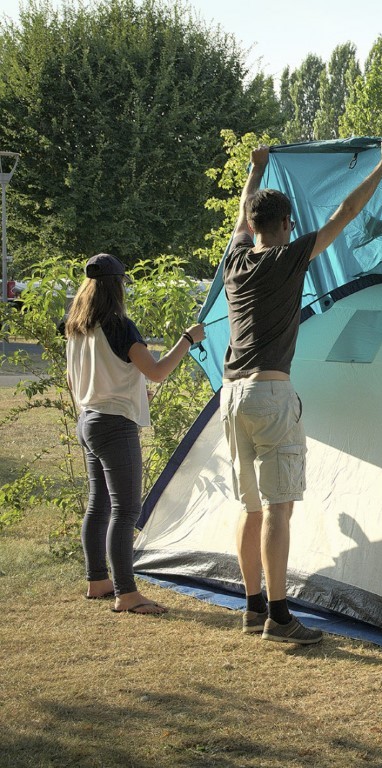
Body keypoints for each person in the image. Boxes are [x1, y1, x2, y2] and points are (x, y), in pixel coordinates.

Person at [222, 139, 382, 645]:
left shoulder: (237, 260)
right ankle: (279, 618)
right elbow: (347, 213)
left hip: (231, 398)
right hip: (270, 397)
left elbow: (241, 212)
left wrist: (254, 172)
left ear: (254, 227)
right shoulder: (288, 256)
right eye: (291, 225)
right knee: (279, 508)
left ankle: (252, 608)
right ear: (283, 226)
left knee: (250, 507)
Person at [65, 253, 206, 614]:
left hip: (89, 420)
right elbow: (157, 371)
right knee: (126, 510)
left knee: (99, 505)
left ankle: (98, 581)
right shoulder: (119, 326)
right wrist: (187, 340)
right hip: (114, 426)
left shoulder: (77, 326)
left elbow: (76, 379)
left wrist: (127, 390)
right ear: (118, 286)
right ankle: (127, 594)